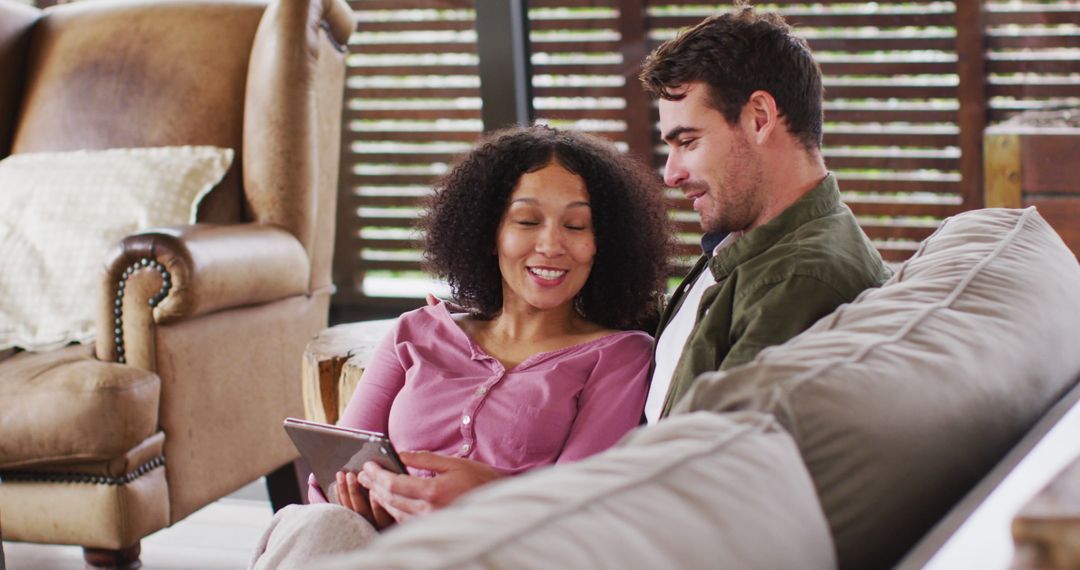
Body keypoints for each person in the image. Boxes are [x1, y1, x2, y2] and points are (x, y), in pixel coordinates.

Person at [249, 125, 673, 568]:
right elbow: (334, 472)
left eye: (576, 225)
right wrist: (357, 498)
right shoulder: (414, 333)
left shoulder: (619, 356)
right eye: (526, 221)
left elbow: (582, 507)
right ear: (489, 234)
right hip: (374, 550)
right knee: (321, 525)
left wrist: (492, 494)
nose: (551, 244)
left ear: (601, 245)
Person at [637, 5, 893, 423]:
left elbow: (713, 464)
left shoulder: (796, 282)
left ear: (759, 118)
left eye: (688, 142)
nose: (671, 174)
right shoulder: (747, 238)